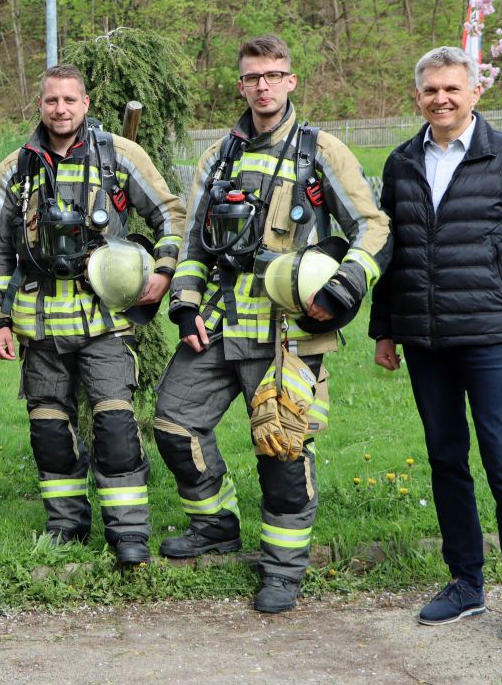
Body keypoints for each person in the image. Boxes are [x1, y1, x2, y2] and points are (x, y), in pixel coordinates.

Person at [153, 35, 390, 612]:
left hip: (289, 330)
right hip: (218, 321)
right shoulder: (217, 157)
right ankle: (215, 524)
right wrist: (184, 303)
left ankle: (284, 568)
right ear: (241, 84)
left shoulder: (320, 151)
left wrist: (344, 288)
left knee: (281, 448)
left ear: (291, 81)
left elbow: (373, 226)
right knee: (173, 423)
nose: (263, 85)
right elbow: (193, 245)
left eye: (274, 74)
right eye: (252, 76)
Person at [369, 46, 502, 654]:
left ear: (475, 93)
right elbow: (391, 251)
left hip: (491, 339)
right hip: (425, 340)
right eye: (431, 90)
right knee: (445, 459)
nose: (441, 99)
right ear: (418, 95)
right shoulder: (401, 162)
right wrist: (384, 328)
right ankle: (465, 581)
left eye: (453, 89)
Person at [0, 64, 185, 567]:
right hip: (40, 324)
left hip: (106, 325)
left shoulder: (119, 155)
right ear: (40, 105)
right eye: (52, 101)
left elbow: (170, 213)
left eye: (70, 100)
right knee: (50, 432)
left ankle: (129, 534)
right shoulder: (18, 167)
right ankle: (66, 527)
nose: (61, 109)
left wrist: (163, 270)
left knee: (116, 429)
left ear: (86, 103)